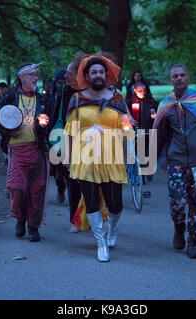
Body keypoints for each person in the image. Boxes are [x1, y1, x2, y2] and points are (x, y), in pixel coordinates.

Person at [63, 54, 129, 262]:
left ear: (106, 74)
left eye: (101, 71)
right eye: (94, 72)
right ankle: (100, 242)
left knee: (115, 204)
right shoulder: (77, 99)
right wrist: (68, 154)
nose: (98, 75)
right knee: (91, 201)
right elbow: (70, 129)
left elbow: (126, 125)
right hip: (85, 157)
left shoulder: (117, 98)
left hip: (112, 157)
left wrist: (128, 128)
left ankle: (112, 228)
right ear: (87, 76)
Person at [153, 64, 196, 259]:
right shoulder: (166, 105)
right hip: (176, 161)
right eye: (175, 76)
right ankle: (179, 229)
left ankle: (193, 241)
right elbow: (160, 136)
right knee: (177, 202)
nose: (179, 78)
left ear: (188, 77)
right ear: (171, 80)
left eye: (182, 75)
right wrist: (151, 161)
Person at [0, 62, 52, 241]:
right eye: (31, 74)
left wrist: (45, 123)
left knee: (36, 190)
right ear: (22, 77)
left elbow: (52, 121)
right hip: (17, 151)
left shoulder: (43, 100)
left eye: (36, 74)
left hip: (37, 150)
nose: (35, 77)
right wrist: (8, 129)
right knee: (17, 188)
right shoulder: (10, 98)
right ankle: (19, 218)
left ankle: (33, 226)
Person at [50, 58, 83, 232]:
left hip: (87, 141)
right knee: (71, 180)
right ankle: (74, 220)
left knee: (89, 181)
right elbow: (58, 114)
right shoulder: (65, 90)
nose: (67, 76)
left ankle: (92, 215)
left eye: (70, 73)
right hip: (66, 137)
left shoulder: (89, 92)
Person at [125, 81, 158, 181]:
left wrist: (154, 115)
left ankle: (148, 169)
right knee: (137, 151)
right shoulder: (130, 101)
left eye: (144, 90)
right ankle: (136, 172)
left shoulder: (150, 101)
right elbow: (125, 115)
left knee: (148, 150)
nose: (142, 92)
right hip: (135, 130)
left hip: (148, 129)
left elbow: (156, 115)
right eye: (140, 91)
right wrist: (129, 121)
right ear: (135, 90)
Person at [49, 70, 68, 204]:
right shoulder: (49, 97)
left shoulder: (69, 96)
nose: (61, 85)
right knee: (57, 170)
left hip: (66, 134)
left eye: (63, 82)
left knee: (65, 168)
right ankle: (60, 189)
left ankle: (69, 191)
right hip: (53, 136)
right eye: (59, 82)